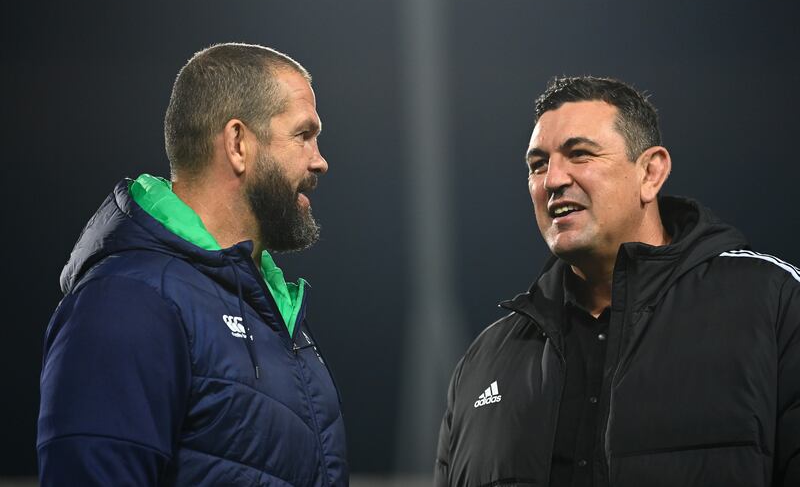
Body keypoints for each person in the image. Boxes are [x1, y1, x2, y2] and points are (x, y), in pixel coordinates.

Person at [435, 76, 800, 487]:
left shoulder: (773, 304)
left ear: (650, 172)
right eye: (538, 165)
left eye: (580, 155)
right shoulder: (483, 362)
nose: (552, 180)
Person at [37, 43, 348, 486]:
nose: (320, 161)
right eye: (303, 135)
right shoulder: (128, 301)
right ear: (238, 144)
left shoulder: (270, 307)